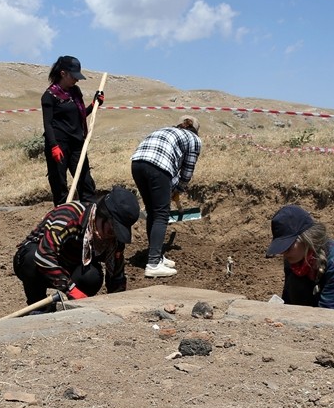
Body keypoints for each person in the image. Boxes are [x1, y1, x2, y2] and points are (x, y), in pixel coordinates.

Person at [12, 187, 141, 308]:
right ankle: (38, 305)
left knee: (92, 276)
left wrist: (118, 302)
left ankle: (73, 308)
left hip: (71, 264)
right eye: (112, 230)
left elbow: (116, 276)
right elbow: (44, 255)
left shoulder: (113, 240)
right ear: (103, 216)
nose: (112, 236)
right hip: (40, 259)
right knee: (31, 259)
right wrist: (71, 289)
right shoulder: (69, 216)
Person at [131, 116, 202, 278]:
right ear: (195, 130)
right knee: (162, 215)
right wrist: (178, 188)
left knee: (152, 211)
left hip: (137, 163)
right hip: (158, 166)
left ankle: (155, 256)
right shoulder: (195, 139)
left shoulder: (168, 130)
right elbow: (187, 171)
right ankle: (154, 264)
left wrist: (172, 186)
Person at [42, 55, 103, 206]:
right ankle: (62, 216)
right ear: (63, 74)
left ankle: (89, 213)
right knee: (59, 183)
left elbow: (79, 116)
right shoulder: (49, 96)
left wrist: (94, 104)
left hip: (77, 143)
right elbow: (48, 124)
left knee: (85, 181)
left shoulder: (75, 92)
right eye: (74, 76)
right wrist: (54, 146)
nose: (76, 80)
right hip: (59, 145)